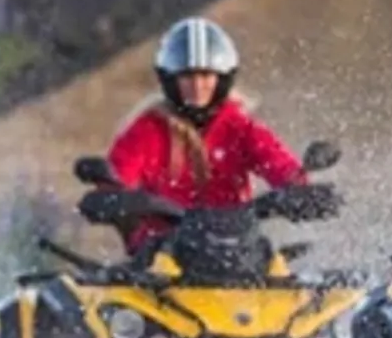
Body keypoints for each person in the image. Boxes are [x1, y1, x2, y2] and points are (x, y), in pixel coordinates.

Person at [106, 16, 315, 252]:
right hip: (161, 254)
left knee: (273, 259)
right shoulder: (146, 130)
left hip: (235, 249)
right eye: (188, 76)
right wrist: (109, 196)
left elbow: (277, 163)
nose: (197, 86)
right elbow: (116, 176)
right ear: (170, 80)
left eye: (206, 75)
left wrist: (299, 189)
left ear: (222, 78)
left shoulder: (241, 127)